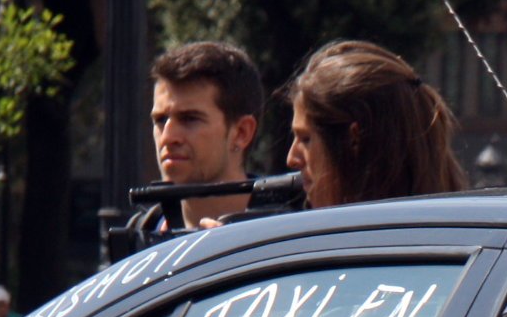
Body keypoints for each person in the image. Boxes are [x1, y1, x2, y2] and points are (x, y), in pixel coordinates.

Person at [280, 40, 468, 208]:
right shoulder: (444, 228)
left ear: (353, 139)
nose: (291, 158)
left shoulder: (361, 243)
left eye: (306, 139)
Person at [149, 41, 265, 231]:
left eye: (189, 119)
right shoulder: (142, 234)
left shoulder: (290, 236)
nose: (167, 137)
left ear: (242, 132)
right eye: (160, 120)